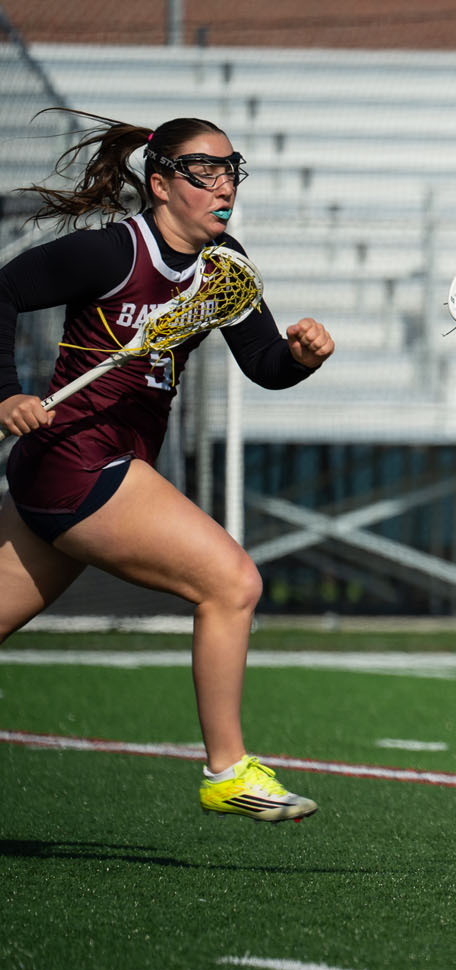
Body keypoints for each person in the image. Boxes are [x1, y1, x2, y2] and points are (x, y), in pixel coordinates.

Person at [0, 110, 334, 822]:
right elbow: (3, 291)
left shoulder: (224, 265)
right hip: (80, 462)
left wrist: (300, 357)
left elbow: (264, 363)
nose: (225, 186)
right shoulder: (113, 252)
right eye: (204, 172)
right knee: (232, 582)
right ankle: (226, 770)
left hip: (84, 467)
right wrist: (5, 391)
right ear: (160, 183)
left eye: (231, 171)